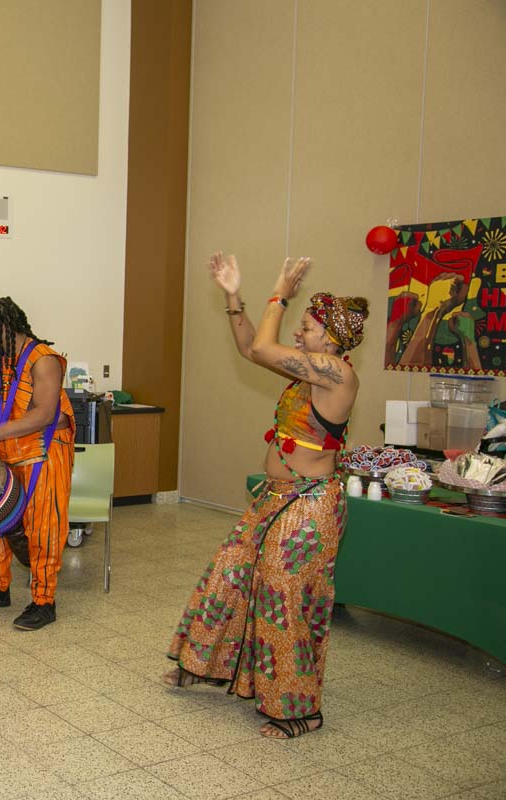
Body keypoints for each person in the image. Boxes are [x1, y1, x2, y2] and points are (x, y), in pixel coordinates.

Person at [164, 253, 368, 739]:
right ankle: (208, 666)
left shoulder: (337, 373)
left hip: (309, 504)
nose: (299, 332)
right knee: (230, 573)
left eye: (308, 327)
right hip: (276, 498)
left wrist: (281, 293)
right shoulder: (309, 374)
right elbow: (251, 349)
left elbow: (263, 345)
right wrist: (233, 296)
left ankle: (298, 710)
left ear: (331, 339)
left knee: (283, 600)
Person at [0, 297, 75, 630]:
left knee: (43, 529)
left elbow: (46, 413)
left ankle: (44, 602)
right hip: (9, 453)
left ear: (3, 327)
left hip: (44, 454)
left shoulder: (44, 360)